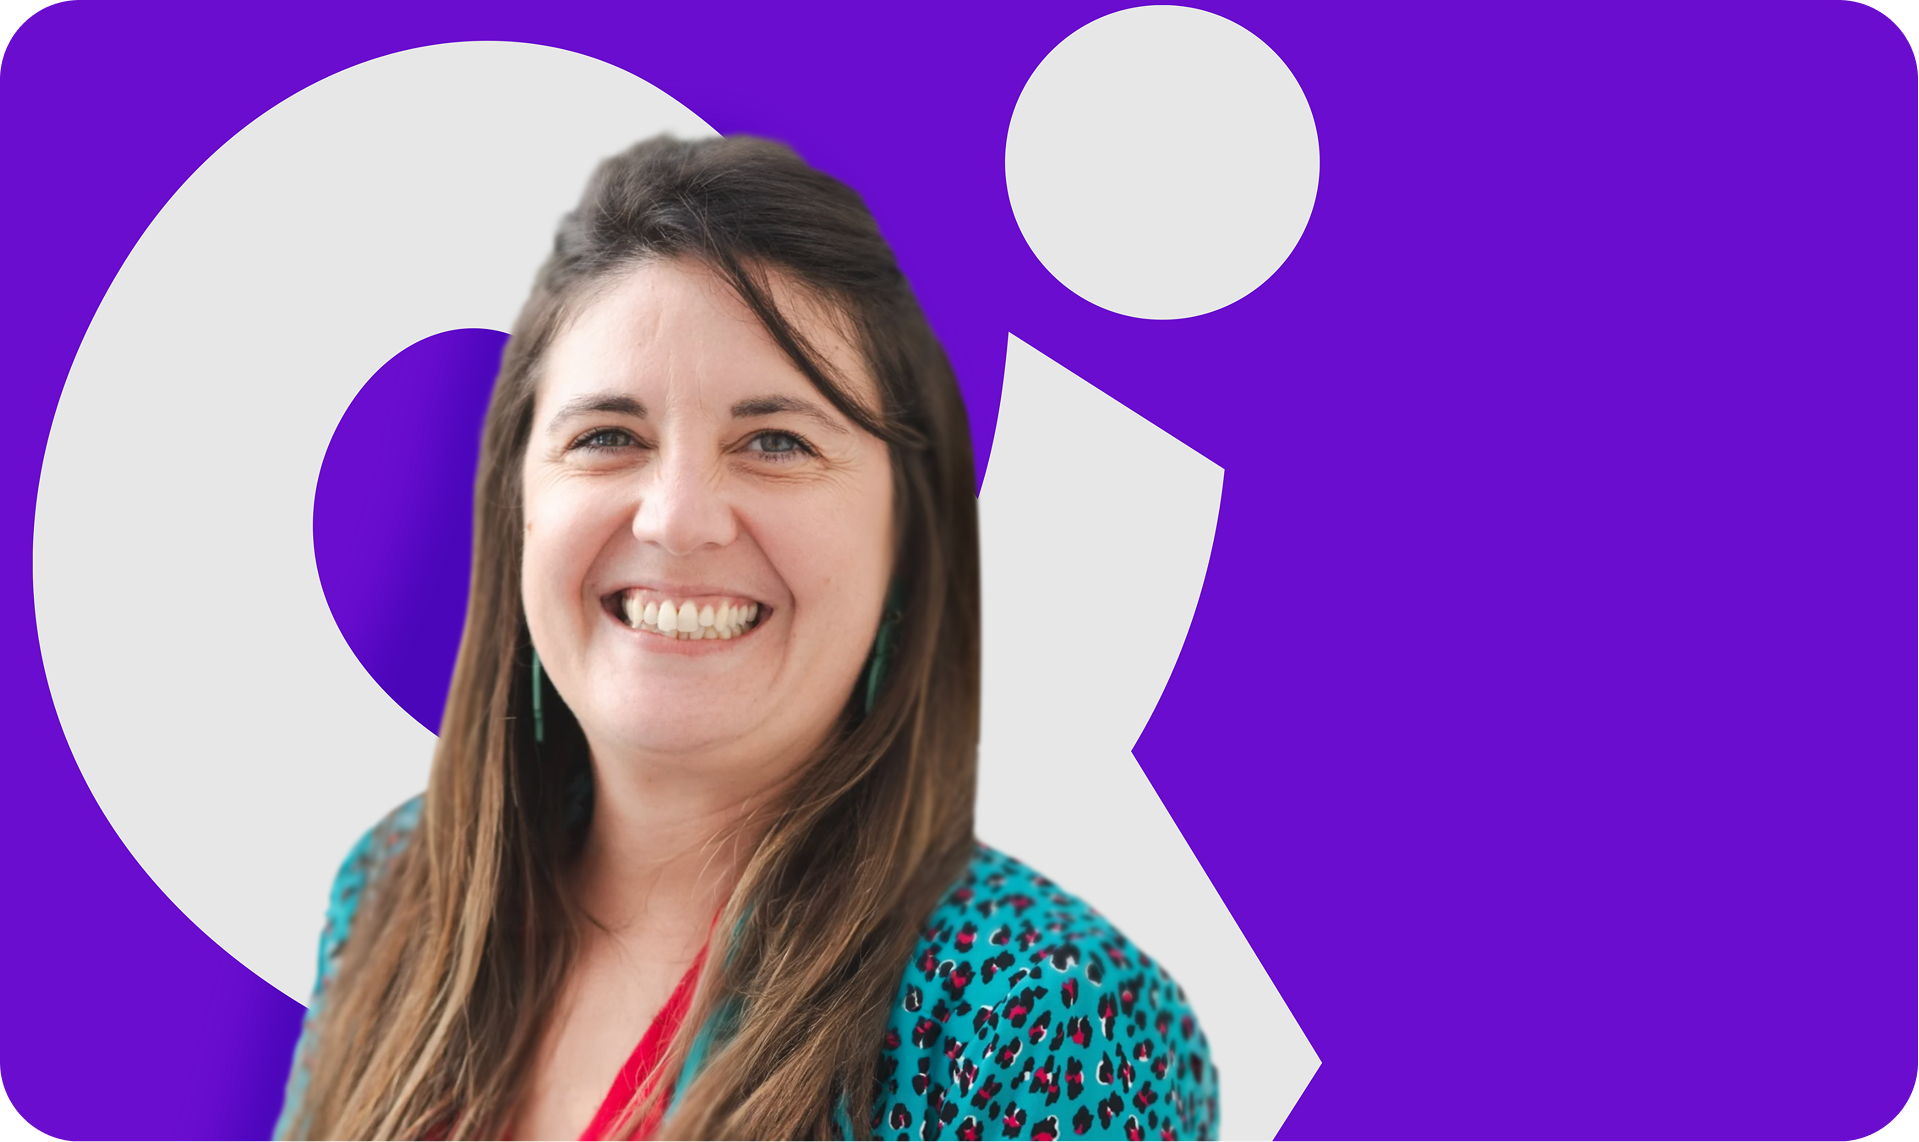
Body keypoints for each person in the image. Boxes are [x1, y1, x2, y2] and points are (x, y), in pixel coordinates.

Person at [274, 134, 1219, 1142]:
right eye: (607, 437)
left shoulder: (1042, 1015)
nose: (677, 520)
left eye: (775, 441)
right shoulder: (395, 886)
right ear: (518, 508)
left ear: (906, 536)